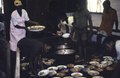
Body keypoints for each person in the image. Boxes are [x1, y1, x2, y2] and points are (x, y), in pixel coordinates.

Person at [9, 1, 39, 78]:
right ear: (15, 7)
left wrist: (34, 22)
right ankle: (15, 65)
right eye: (18, 7)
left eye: (20, 6)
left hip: (22, 32)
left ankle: (24, 60)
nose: (19, 8)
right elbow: (16, 25)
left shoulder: (24, 11)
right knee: (15, 48)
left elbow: (27, 20)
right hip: (15, 32)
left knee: (23, 44)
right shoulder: (13, 14)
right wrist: (25, 27)